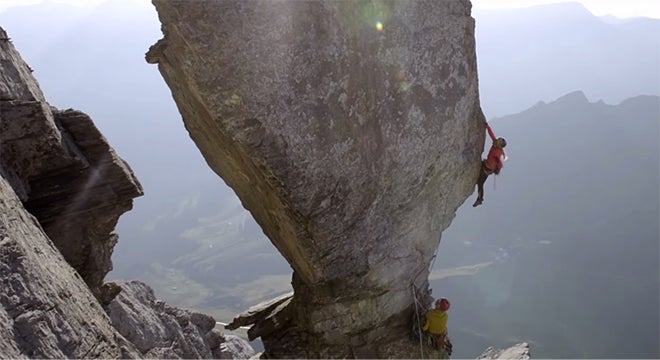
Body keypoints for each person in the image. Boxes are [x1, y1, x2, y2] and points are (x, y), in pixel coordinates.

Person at [473, 121, 507, 207]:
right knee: (479, 182)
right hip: (486, 165)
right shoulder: (495, 144)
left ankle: (480, 199)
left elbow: (499, 163)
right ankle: (480, 199)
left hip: (487, 169)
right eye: (498, 140)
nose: (497, 140)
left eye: (499, 141)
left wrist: (497, 169)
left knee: (480, 183)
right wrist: (487, 126)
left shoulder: (498, 152)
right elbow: (491, 134)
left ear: (500, 145)